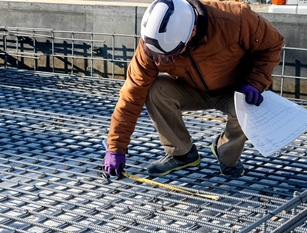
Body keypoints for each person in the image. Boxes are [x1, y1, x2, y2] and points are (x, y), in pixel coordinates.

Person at [103, 0, 284, 178]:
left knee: (247, 107)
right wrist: (116, 147)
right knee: (155, 90)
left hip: (234, 89)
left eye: (169, 56)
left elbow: (272, 44)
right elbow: (131, 95)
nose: (161, 60)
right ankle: (182, 153)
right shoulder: (151, 46)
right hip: (192, 89)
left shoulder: (236, 19)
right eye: (157, 56)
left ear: (193, 32)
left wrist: (255, 82)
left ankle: (226, 154)